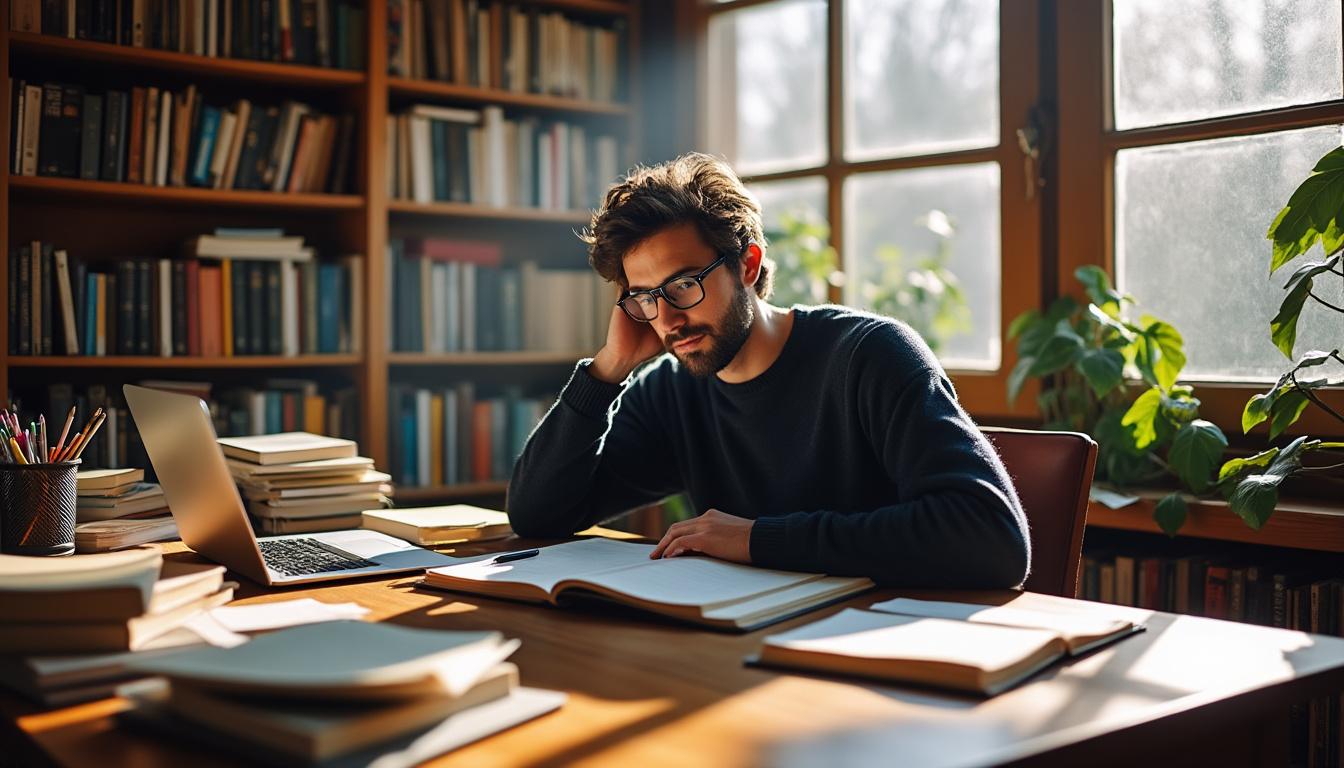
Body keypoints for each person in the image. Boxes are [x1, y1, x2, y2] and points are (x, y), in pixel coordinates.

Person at [506, 153, 1029, 587]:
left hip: (884, 648)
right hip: (748, 648)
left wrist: (758, 538)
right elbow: (539, 516)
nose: (666, 318)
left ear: (748, 266)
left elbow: (993, 538)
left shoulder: (870, 356)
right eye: (645, 297)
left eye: (684, 285)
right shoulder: (672, 390)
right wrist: (608, 369)